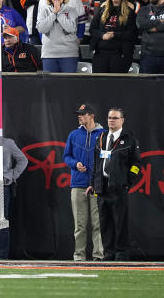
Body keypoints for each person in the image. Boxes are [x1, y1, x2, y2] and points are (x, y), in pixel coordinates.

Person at [86, 107, 141, 261]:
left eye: (115, 118)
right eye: (110, 117)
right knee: (105, 223)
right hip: (102, 188)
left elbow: (136, 164)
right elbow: (96, 163)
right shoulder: (102, 137)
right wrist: (93, 183)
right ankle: (108, 253)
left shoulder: (129, 139)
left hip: (118, 188)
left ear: (122, 120)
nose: (111, 120)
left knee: (120, 223)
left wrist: (127, 182)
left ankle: (121, 254)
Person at [64, 103, 106, 262]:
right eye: (79, 114)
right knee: (79, 225)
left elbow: (107, 158)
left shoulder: (103, 134)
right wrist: (75, 164)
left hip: (97, 185)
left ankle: (98, 256)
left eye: (83, 114)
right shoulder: (74, 135)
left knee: (97, 224)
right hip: (78, 185)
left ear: (92, 115)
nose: (79, 116)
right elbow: (66, 156)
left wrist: (98, 177)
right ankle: (79, 257)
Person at [89, 0, 138, 73]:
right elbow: (92, 29)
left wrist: (115, 35)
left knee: (116, 85)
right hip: (101, 53)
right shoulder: (102, 10)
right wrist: (102, 35)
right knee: (99, 83)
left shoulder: (129, 11)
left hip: (120, 54)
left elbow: (133, 33)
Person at [37, 0, 80, 72]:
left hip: (69, 54)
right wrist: (53, 14)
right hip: (49, 54)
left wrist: (59, 13)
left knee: (68, 84)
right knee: (51, 85)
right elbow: (41, 29)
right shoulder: (45, 10)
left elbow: (71, 28)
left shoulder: (72, 10)